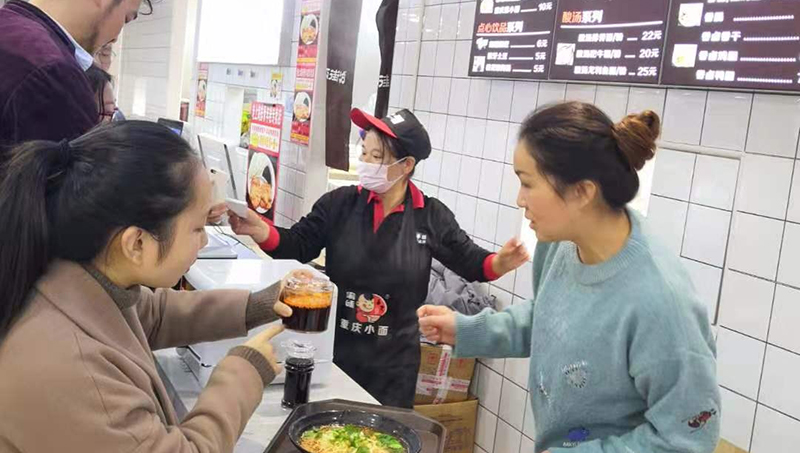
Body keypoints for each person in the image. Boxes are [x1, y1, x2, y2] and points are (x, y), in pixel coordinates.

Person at [418, 102, 720, 453]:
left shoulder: (660, 302)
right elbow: (548, 315)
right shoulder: (560, 245)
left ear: (582, 191)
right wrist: (470, 330)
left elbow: (687, 439)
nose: (519, 200)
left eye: (527, 183)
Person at [0, 121, 291, 452]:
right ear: (136, 243)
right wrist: (243, 371)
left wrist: (258, 304)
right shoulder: (74, 371)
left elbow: (153, 313)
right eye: (197, 228)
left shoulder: (70, 278)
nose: (204, 240)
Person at [229, 108, 530, 407]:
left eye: (377, 158)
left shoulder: (430, 216)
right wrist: (260, 229)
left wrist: (501, 262)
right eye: (364, 154)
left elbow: (472, 262)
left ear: (406, 165)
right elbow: (297, 244)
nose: (366, 164)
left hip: (393, 367)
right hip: (334, 353)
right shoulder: (339, 204)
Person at [0, 0, 164, 147]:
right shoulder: (52, 72)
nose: (116, 37)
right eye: (126, 17)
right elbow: (67, 181)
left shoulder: (8, 29)